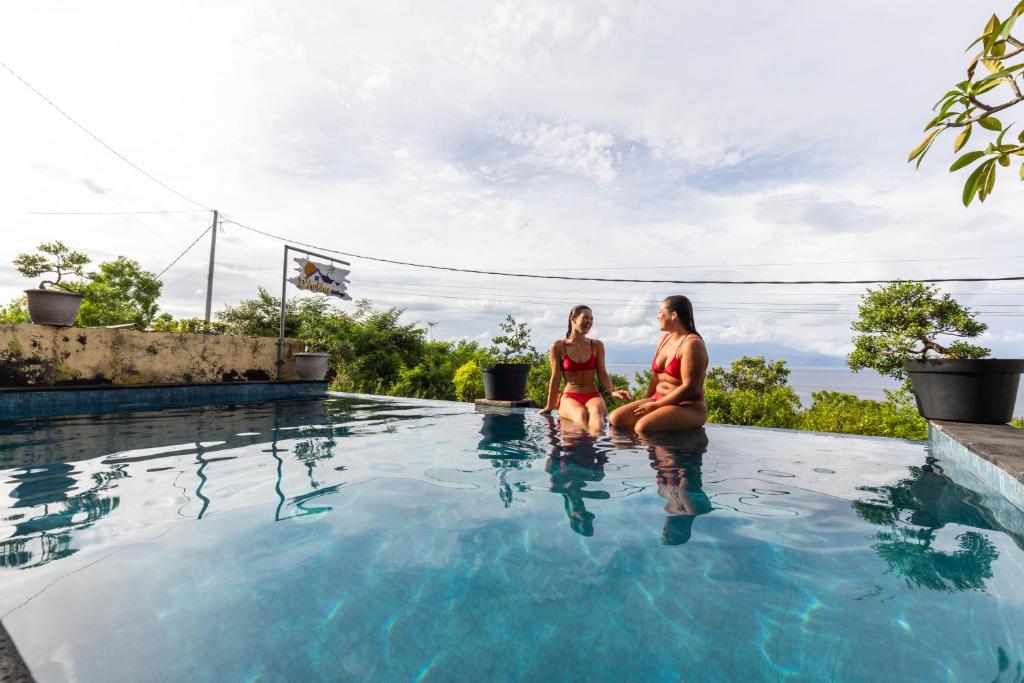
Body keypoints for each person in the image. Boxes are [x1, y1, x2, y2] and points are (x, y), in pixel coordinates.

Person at [609, 295, 708, 434]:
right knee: (615, 419)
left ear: (673, 315)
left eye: (661, 312)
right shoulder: (664, 339)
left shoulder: (692, 344)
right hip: (658, 399)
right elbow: (656, 376)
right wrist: (646, 401)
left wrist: (656, 406)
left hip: (688, 405)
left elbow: (689, 387)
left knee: (642, 427)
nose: (658, 316)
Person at [539, 304, 631, 432]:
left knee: (596, 416)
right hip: (570, 396)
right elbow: (555, 376)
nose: (589, 322)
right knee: (580, 415)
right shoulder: (558, 346)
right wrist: (549, 406)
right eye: (585, 318)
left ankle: (592, 447)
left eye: (591, 319)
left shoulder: (597, 345)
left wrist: (612, 391)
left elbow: (602, 373)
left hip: (592, 394)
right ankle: (584, 446)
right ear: (573, 318)